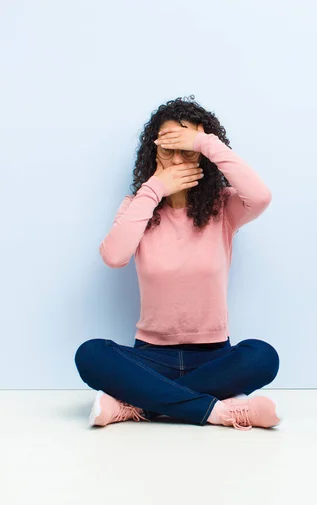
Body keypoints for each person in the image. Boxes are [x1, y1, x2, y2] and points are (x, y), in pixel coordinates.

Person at [74, 96, 281, 431]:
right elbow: (114, 257)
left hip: (215, 357)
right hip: (151, 358)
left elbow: (261, 196)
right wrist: (156, 187)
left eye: (186, 149)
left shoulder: (223, 207)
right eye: (167, 148)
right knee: (90, 355)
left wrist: (203, 141)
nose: (177, 159)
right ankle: (219, 411)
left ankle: (137, 404)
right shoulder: (137, 205)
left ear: (203, 154)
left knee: (263, 357)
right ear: (153, 153)